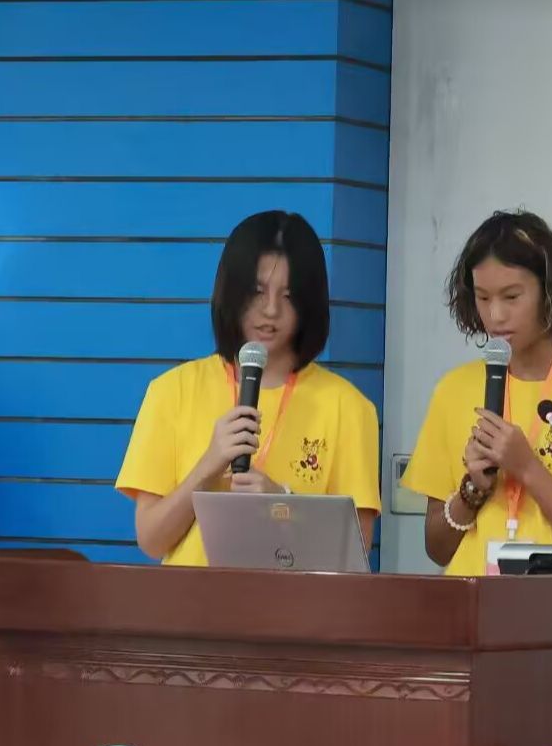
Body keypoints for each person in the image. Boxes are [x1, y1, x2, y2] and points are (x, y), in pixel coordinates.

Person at [116, 210, 381, 565]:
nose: (270, 310)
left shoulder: (348, 407)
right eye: (257, 292)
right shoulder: (171, 391)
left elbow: (356, 554)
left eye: (288, 296)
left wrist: (282, 502)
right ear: (232, 291)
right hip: (189, 600)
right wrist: (207, 468)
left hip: (292, 601)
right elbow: (151, 540)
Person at [403, 210, 552, 575]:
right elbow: (437, 549)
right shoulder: (452, 390)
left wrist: (528, 469)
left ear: (548, 292)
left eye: (512, 296)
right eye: (483, 298)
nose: (496, 315)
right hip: (471, 605)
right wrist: (473, 489)